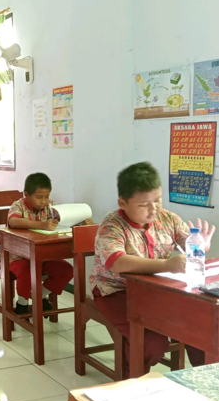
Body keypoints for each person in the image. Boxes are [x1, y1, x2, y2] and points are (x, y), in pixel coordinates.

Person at [91, 161, 214, 376]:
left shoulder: (168, 218)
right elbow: (117, 262)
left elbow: (189, 246)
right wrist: (167, 265)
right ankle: (131, 380)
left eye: (157, 200)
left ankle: (206, 381)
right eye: (144, 204)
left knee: (200, 328)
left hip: (158, 291)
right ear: (123, 203)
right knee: (151, 343)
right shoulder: (112, 225)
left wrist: (200, 246)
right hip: (116, 292)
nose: (154, 209)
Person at [7, 173, 74, 315]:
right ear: (26, 195)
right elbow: (13, 221)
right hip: (18, 257)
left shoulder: (50, 206)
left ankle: (39, 295)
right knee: (27, 270)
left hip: (44, 256)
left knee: (66, 270)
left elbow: (63, 217)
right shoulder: (18, 205)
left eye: (47, 196)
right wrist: (41, 225)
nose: (44, 201)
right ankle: (22, 302)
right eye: (39, 197)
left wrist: (79, 220)